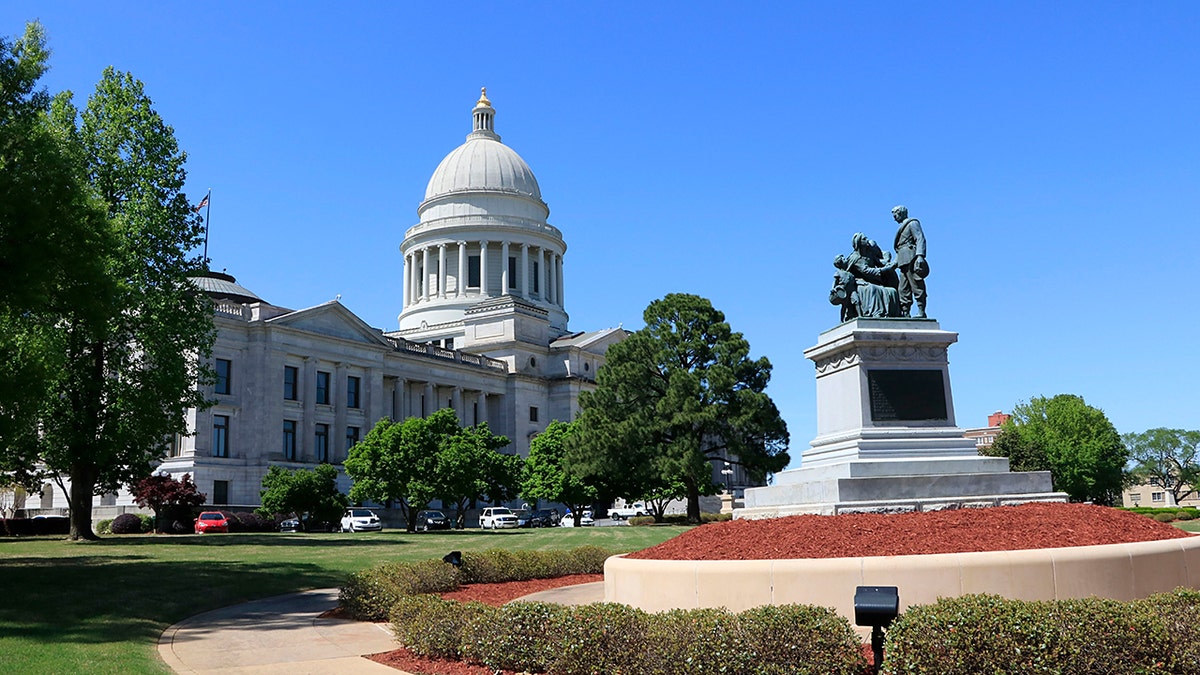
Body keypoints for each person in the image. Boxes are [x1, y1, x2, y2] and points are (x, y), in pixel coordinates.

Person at [891, 205, 928, 318]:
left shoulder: (912, 223)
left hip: (911, 258)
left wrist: (920, 256)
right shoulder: (903, 226)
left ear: (901, 213)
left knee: (916, 284)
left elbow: (920, 238)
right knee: (903, 288)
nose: (894, 218)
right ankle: (905, 311)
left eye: (895, 215)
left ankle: (921, 311)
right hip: (902, 260)